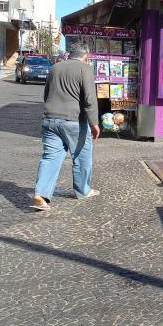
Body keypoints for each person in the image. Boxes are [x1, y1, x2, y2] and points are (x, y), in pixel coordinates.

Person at [31, 44, 101, 211]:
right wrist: (94, 123)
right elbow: (90, 99)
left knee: (50, 158)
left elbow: (46, 94)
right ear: (86, 57)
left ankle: (41, 194)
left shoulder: (55, 67)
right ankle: (83, 190)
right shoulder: (85, 69)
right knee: (82, 157)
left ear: (70, 55)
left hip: (50, 119)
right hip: (74, 121)